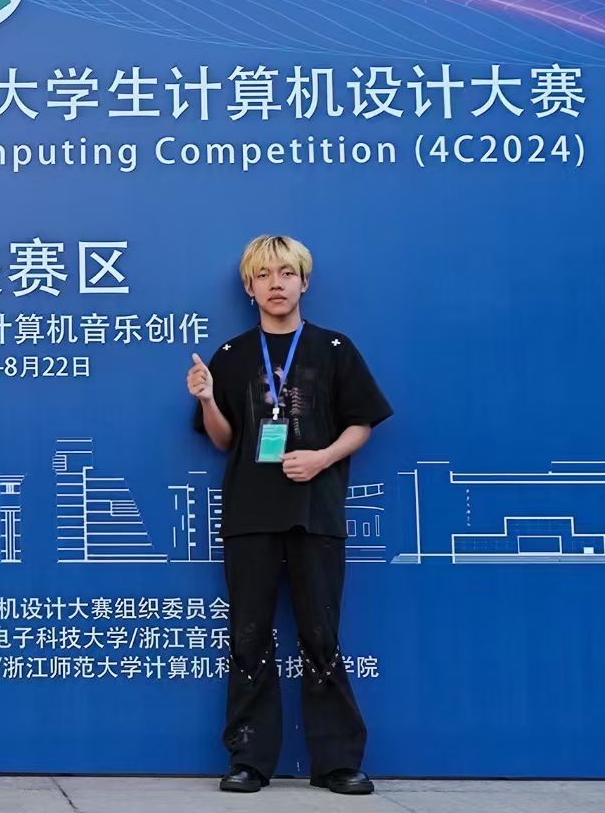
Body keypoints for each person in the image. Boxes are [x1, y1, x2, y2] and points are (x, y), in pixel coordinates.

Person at [187, 235, 391, 796]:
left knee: (320, 634)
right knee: (249, 635)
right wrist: (207, 399)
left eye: (286, 273)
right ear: (248, 287)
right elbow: (224, 439)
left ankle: (337, 762)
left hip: (315, 511)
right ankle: (249, 759)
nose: (276, 284)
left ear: (305, 281)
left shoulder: (334, 348)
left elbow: (362, 423)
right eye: (263, 275)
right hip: (250, 512)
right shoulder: (232, 355)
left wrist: (322, 457)